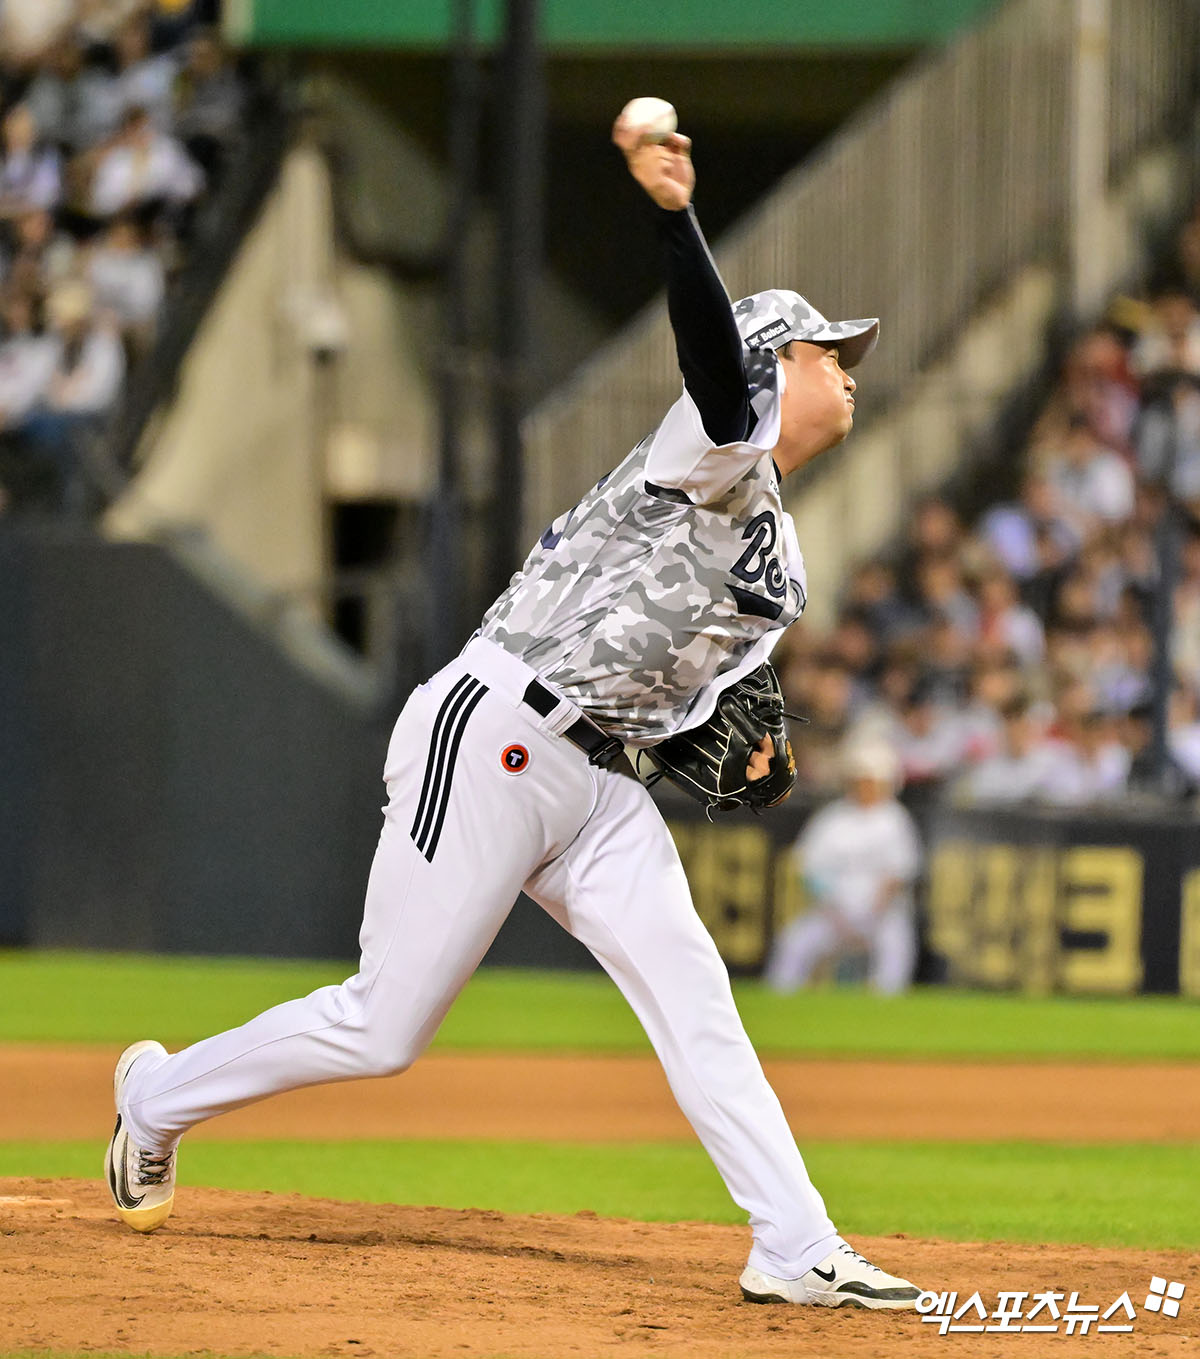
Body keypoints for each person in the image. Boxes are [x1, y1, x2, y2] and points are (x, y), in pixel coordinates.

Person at [104, 107, 921, 1311]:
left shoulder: (781, 558)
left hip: (599, 785)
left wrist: (739, 752)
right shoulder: (709, 448)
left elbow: (694, 711)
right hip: (495, 730)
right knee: (384, 1029)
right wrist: (676, 217)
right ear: (768, 369)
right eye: (822, 349)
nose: (846, 365)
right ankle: (157, 1098)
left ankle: (793, 1244)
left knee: (693, 990)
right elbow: (709, 358)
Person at [766, 742, 922, 997]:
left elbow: (897, 875)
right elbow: (810, 871)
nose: (865, 786)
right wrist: (836, 916)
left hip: (881, 914)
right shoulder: (832, 818)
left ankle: (887, 1003)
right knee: (794, 942)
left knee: (896, 945)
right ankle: (779, 998)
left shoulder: (894, 819)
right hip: (834, 913)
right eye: (861, 780)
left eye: (872, 780)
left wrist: (871, 917)